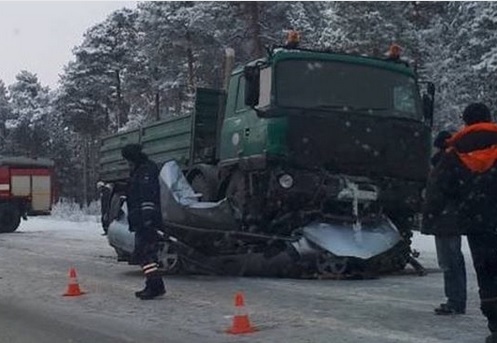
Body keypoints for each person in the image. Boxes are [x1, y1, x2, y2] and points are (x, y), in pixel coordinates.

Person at [422, 103, 497, 342]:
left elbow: (438, 190)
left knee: (487, 273)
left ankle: (495, 325)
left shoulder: (453, 153)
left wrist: (431, 216)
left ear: (465, 122)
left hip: (477, 224)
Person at [121, 143, 166, 300]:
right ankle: (155, 284)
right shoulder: (140, 170)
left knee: (144, 253)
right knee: (146, 254)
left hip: (146, 220)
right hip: (142, 219)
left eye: (128, 160)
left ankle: (154, 285)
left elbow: (147, 196)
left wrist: (147, 220)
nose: (128, 163)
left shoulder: (145, 171)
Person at [430, 130, 467, 315]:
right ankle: (456, 299)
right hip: (449, 217)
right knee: (452, 259)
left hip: (445, 217)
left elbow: (439, 193)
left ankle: (455, 300)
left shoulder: (445, 164)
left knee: (449, 260)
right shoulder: (452, 161)